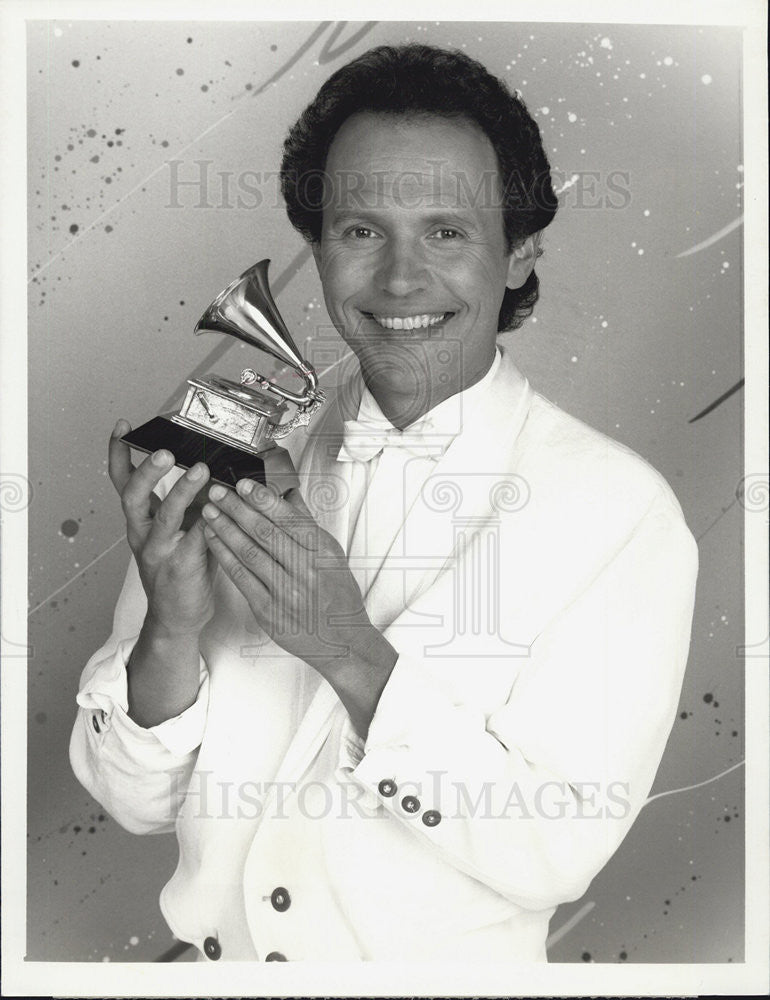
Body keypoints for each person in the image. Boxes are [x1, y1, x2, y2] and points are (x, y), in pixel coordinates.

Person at [70, 44, 698, 963]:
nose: (401, 280)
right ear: (320, 248)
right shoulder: (240, 464)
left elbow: (560, 849)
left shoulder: (622, 512)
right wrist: (168, 626)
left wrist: (350, 653)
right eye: (362, 231)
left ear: (519, 253)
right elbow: (133, 804)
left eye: (447, 231)